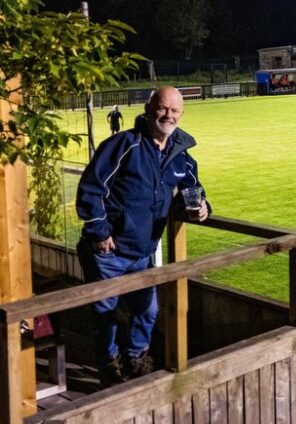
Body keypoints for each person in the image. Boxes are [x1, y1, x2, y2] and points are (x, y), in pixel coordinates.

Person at [75, 86, 212, 386]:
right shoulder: (123, 145)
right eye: (163, 108)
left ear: (182, 114)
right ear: (149, 110)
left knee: (147, 309)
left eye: (175, 110)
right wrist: (99, 231)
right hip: (108, 252)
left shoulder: (182, 158)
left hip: (143, 253)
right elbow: (90, 189)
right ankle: (109, 364)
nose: (169, 115)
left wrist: (202, 207)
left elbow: (194, 191)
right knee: (105, 315)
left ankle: (136, 357)